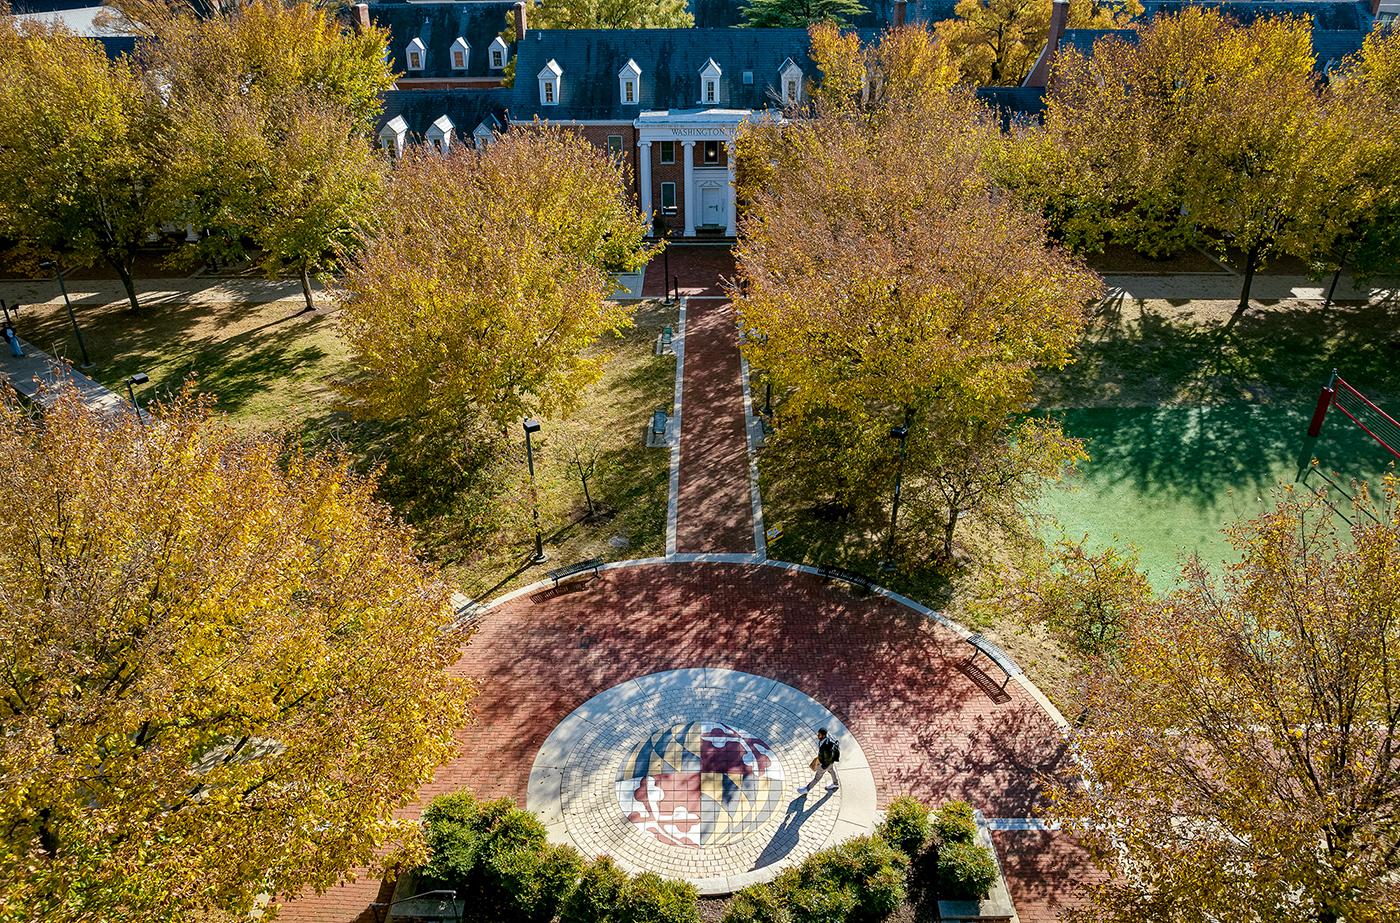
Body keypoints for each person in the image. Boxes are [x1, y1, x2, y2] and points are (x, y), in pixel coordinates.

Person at [798, 727, 840, 794]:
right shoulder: (825, 739)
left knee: (817, 778)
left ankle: (806, 789)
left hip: (826, 763)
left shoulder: (826, 747)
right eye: (818, 734)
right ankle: (835, 784)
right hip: (830, 762)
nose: (817, 736)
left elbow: (828, 759)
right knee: (831, 770)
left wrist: (823, 767)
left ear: (823, 735)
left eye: (819, 735)